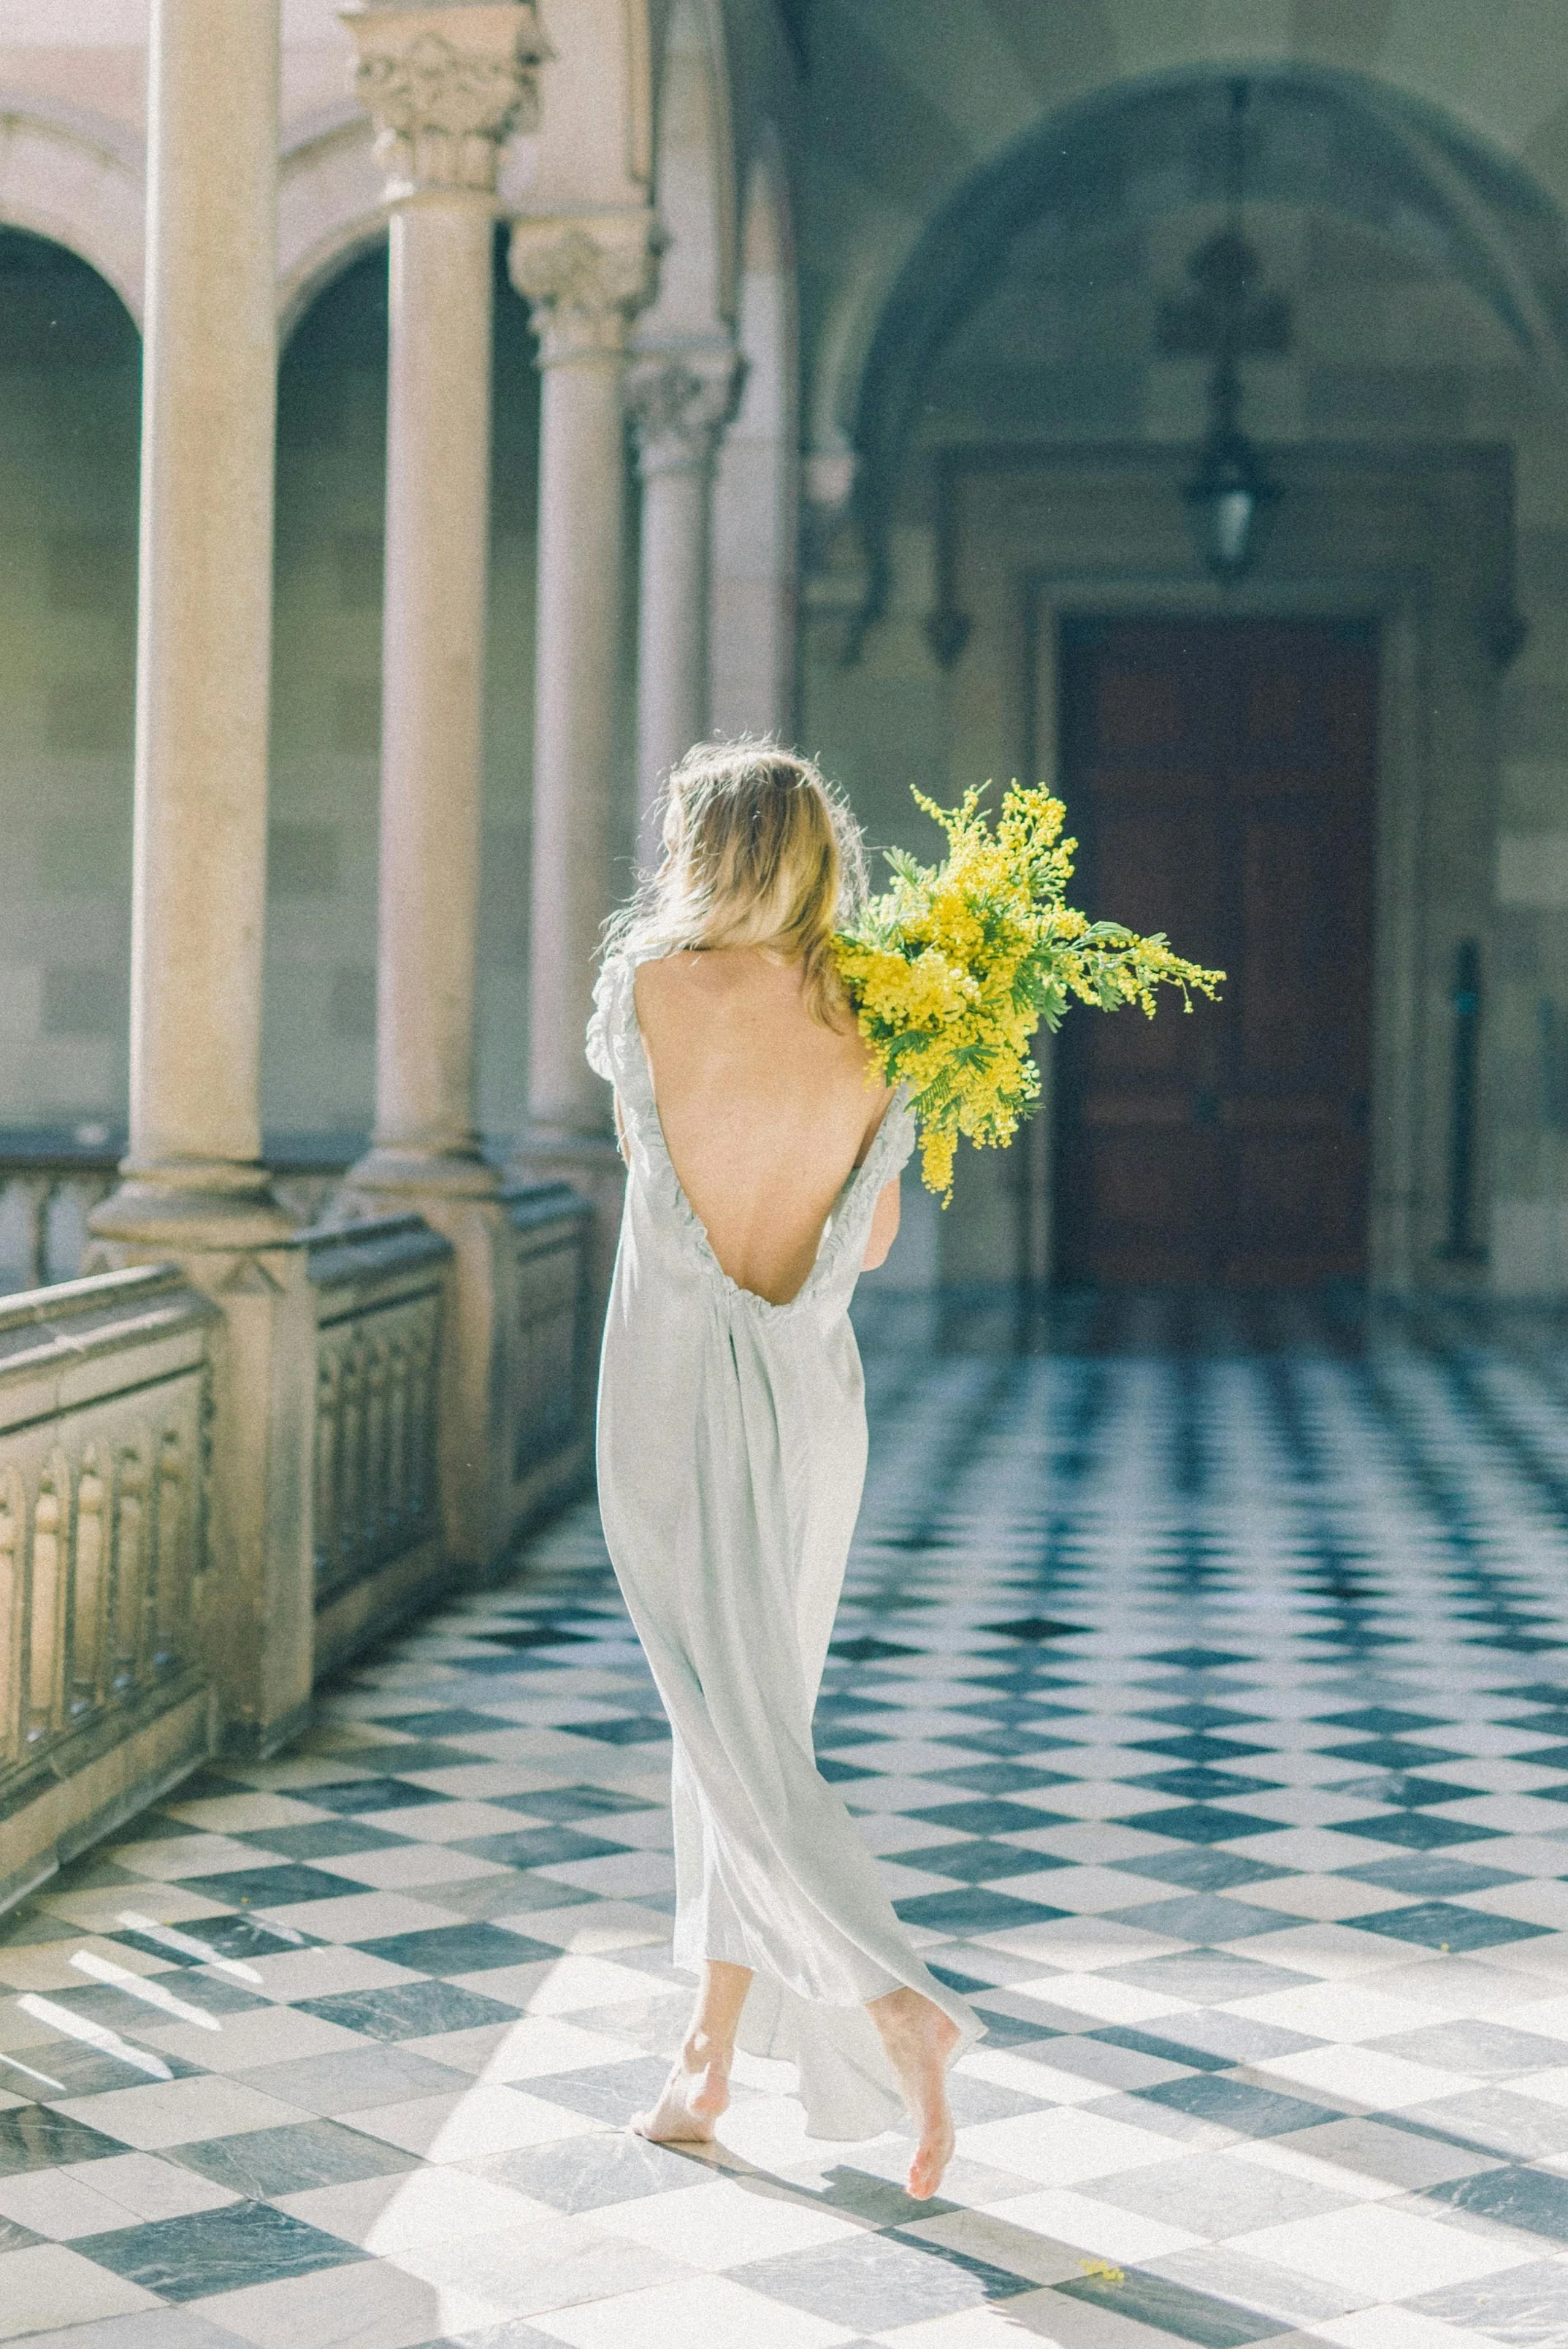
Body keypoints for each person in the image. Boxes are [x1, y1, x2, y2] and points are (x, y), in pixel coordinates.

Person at [586, 741, 979, 2201]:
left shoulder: (648, 990)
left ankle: (894, 2003)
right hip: (813, 1402)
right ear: (822, 855)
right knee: (752, 1726)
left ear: (702, 849)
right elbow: (866, 1244)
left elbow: (647, 1157)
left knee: (725, 1724)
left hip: (671, 1393)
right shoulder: (891, 1017)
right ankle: (707, 2055)